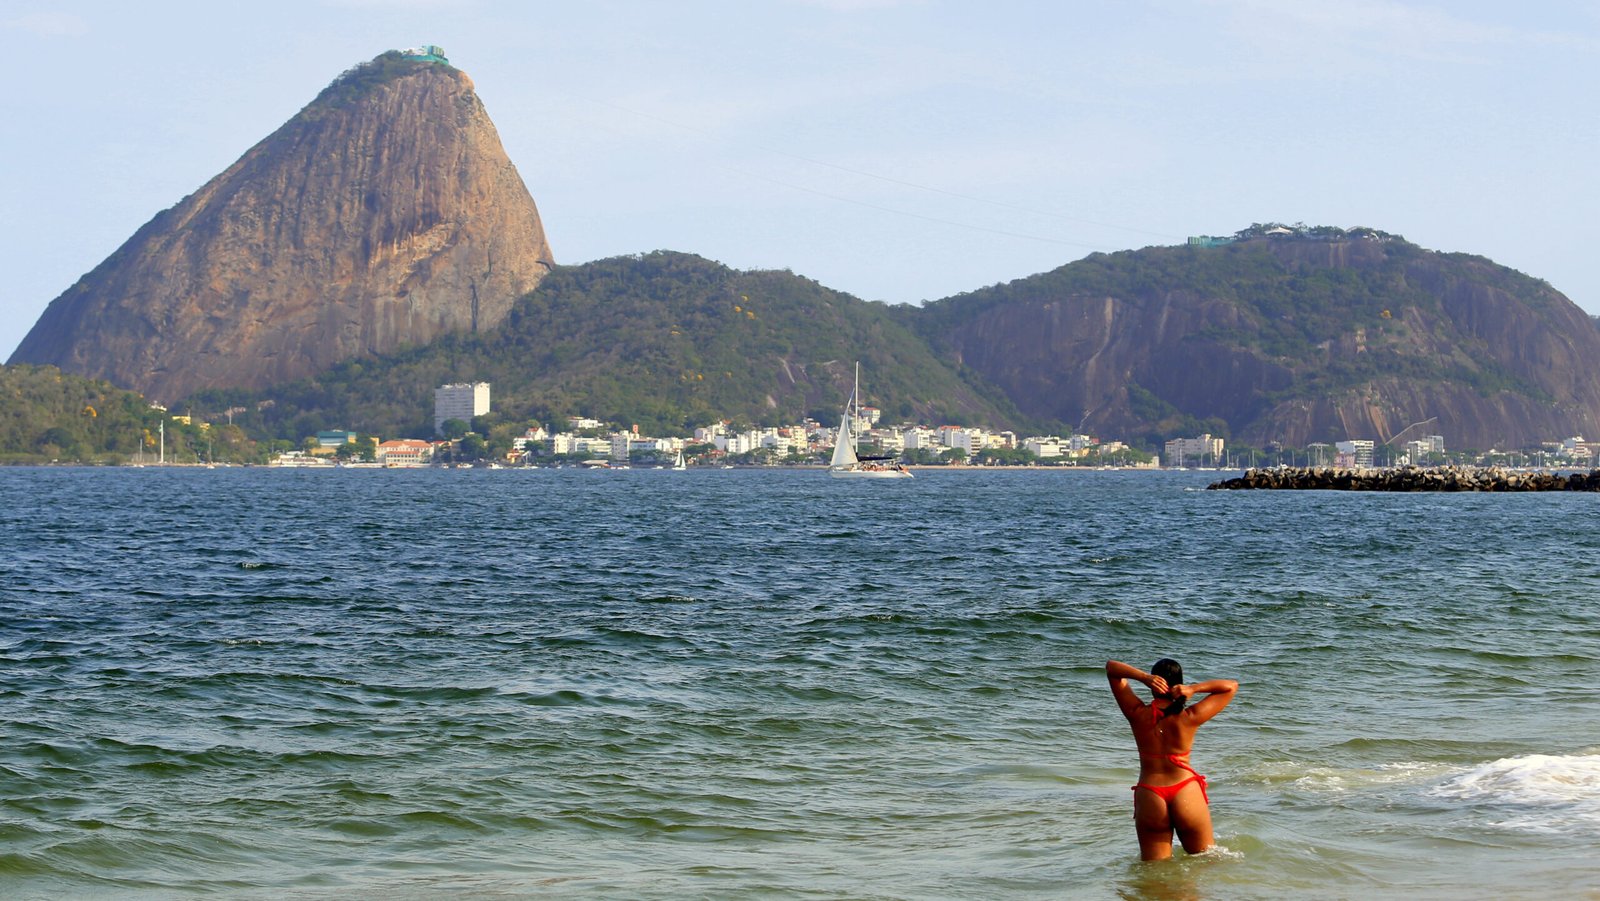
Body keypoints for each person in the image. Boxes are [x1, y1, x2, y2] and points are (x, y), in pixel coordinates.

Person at [1105, 659, 1238, 860]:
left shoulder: (1136, 713)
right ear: (1179, 684)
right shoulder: (1190, 716)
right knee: (1205, 863)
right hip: (1185, 790)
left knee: (1154, 872)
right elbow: (1230, 686)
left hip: (1150, 794)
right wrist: (1193, 689)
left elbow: (1112, 668)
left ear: (1153, 685)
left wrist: (1144, 678)